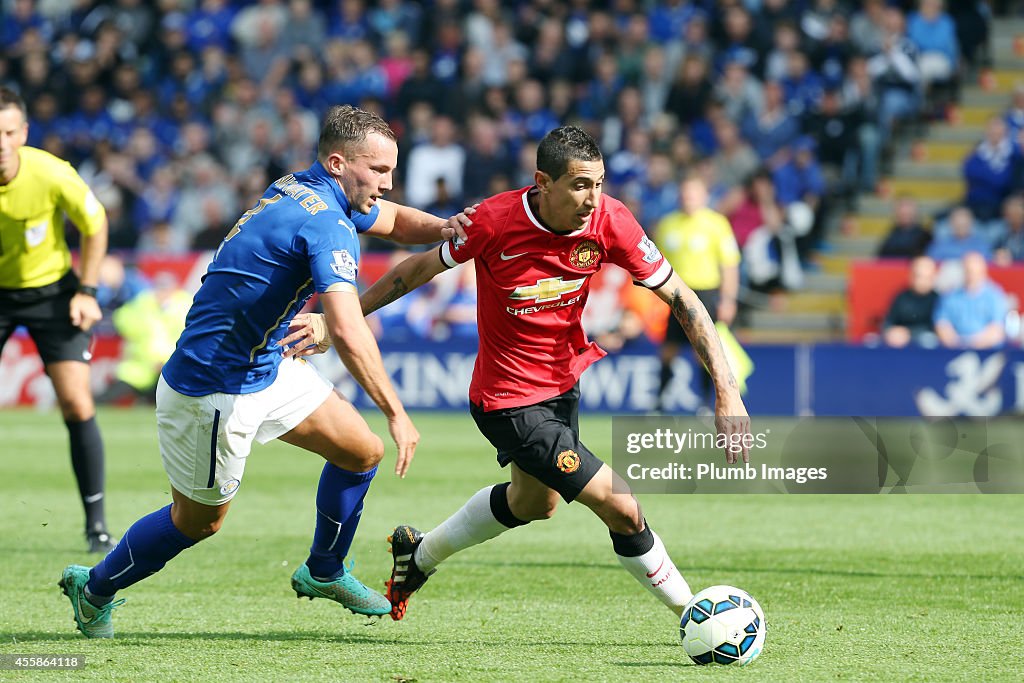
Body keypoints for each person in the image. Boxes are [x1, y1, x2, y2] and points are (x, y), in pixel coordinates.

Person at [59, 105, 466, 639]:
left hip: (265, 365)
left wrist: (448, 227)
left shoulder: (305, 187)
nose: (389, 184)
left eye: (393, 171)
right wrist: (397, 412)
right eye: (380, 171)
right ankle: (95, 588)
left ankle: (323, 570)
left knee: (359, 452)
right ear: (340, 163)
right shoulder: (326, 222)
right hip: (214, 388)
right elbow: (344, 328)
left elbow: (391, 222)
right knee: (198, 522)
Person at [358, 126, 751, 622]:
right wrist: (344, 317)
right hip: (506, 400)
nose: (593, 199)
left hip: (563, 386)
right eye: (580, 185)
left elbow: (682, 298)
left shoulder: (611, 222)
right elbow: (413, 271)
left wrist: (727, 392)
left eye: (600, 184)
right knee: (622, 506)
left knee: (532, 504)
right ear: (543, 182)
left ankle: (417, 557)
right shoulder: (493, 220)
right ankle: (696, 616)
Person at [0, 87, 116, 553]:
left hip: (53, 294)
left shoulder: (52, 173)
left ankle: (97, 526)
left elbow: (94, 224)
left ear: (23, 133)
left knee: (76, 402)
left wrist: (87, 290)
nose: (1, 142)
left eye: (8, 132)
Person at [653, 175, 740, 412]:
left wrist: (728, 299)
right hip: (676, 295)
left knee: (703, 351)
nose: (687, 198)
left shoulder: (717, 223)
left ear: (704, 196)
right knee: (668, 350)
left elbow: (729, 265)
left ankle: (707, 403)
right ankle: (659, 403)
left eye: (692, 193)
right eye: (684, 193)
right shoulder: (667, 224)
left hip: (707, 294)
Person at [934, 251, 1008, 349]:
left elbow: (997, 330)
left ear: (983, 271)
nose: (972, 276)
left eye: (975, 272)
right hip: (954, 351)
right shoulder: (950, 295)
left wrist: (972, 345)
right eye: (968, 271)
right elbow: (942, 324)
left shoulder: (995, 295)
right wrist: (957, 344)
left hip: (987, 352)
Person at [881, 255, 939, 348]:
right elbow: (888, 321)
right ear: (911, 276)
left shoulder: (938, 300)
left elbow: (937, 328)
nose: (922, 281)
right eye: (919, 276)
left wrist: (908, 333)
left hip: (926, 345)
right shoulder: (901, 297)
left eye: (927, 277)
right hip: (899, 343)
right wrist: (891, 332)